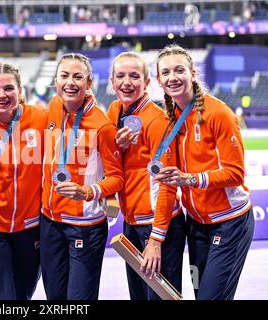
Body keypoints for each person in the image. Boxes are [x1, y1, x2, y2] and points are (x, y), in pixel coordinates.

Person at [155, 44, 254, 300]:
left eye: (179, 70)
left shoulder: (219, 113)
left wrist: (190, 179)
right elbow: (169, 180)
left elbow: (235, 174)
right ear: (158, 80)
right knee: (201, 293)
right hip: (196, 227)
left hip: (229, 223)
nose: (172, 77)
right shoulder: (172, 118)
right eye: (166, 72)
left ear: (193, 73)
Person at [41, 53, 124, 300]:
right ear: (55, 80)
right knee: (55, 299)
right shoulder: (54, 107)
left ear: (89, 83)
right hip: (50, 223)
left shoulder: (103, 125)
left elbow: (117, 178)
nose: (70, 83)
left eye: (78, 77)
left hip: (84, 227)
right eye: (64, 76)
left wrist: (86, 192)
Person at [106, 52, 185, 300]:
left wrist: (156, 240)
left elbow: (168, 186)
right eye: (120, 76)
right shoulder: (114, 110)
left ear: (147, 81)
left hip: (158, 227)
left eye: (134, 76)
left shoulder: (157, 121)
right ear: (111, 82)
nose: (127, 82)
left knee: (161, 297)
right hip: (131, 224)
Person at [0, 62, 46, 300]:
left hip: (31, 228)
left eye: (9, 88)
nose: (2, 95)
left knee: (22, 296)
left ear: (21, 91)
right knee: (0, 297)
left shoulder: (42, 119)